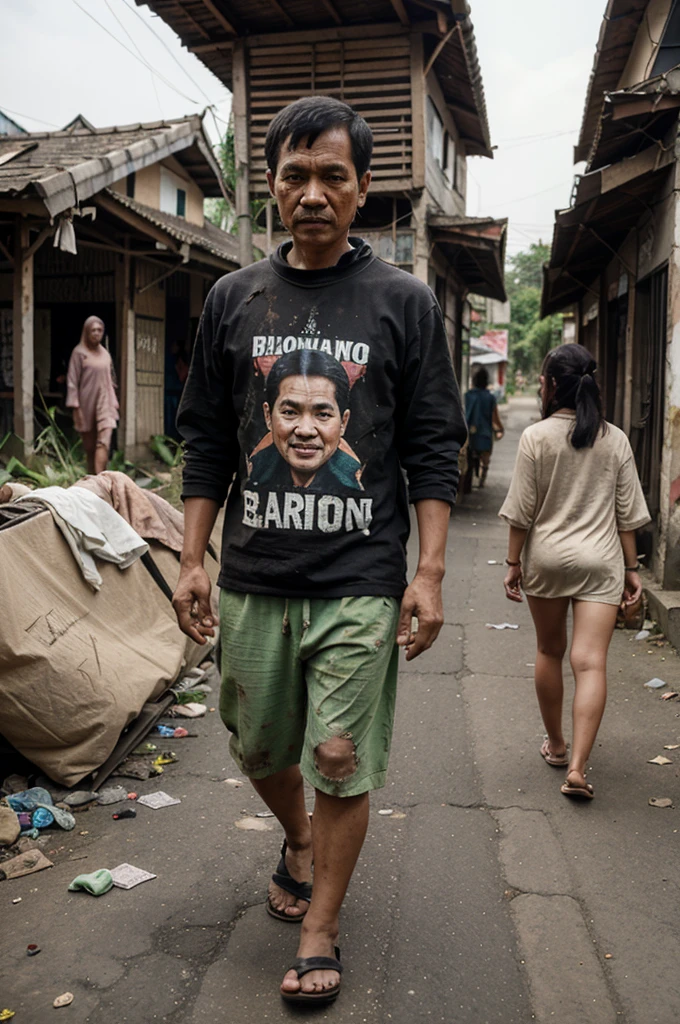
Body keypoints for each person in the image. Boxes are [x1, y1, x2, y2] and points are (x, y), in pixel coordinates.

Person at [173, 95, 466, 1006]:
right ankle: (297, 838)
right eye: (294, 176)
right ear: (271, 185)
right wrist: (191, 558)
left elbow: (430, 445)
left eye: (331, 176)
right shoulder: (233, 298)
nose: (312, 193)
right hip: (256, 575)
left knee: (337, 750)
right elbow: (206, 443)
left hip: (362, 580)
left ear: (362, 187)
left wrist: (428, 571)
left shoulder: (403, 302)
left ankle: (322, 924)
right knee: (260, 743)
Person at [499, 343, 650, 801]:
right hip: (601, 561)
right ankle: (580, 768)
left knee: (549, 650)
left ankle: (558, 746)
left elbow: (522, 512)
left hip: (546, 559)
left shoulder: (536, 437)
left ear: (548, 385)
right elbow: (627, 516)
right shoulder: (615, 438)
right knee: (591, 663)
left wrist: (512, 564)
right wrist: (631, 569)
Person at [248, 348, 363, 491]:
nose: (305, 430)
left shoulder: (355, 480)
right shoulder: (256, 471)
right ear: (268, 416)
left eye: (323, 415)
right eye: (290, 412)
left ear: (343, 422)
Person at [66, 316, 118, 475]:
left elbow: (111, 378)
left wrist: (114, 399)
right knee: (89, 448)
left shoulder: (105, 354)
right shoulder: (79, 353)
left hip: (105, 402)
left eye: (100, 330)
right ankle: (93, 480)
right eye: (93, 330)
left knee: (103, 442)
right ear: (87, 332)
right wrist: (76, 407)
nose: (96, 333)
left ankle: (102, 480)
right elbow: (72, 381)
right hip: (86, 403)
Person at [464, 366, 504, 489]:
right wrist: (501, 428)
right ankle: (482, 478)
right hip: (485, 434)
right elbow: (495, 417)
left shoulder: (468, 396)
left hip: (470, 433)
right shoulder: (490, 397)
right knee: (485, 457)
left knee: (467, 456)